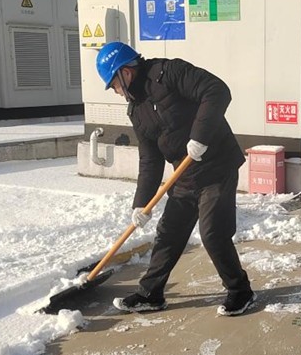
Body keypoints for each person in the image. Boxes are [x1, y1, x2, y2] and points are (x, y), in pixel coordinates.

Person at [95, 41, 255, 316]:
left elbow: (216, 90)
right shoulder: (136, 109)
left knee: (213, 233)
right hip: (185, 175)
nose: (116, 91)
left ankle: (241, 291)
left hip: (217, 165)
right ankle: (151, 294)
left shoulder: (167, 73)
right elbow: (150, 159)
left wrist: (200, 136)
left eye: (114, 85)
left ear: (126, 72)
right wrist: (141, 203)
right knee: (168, 233)